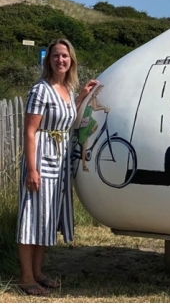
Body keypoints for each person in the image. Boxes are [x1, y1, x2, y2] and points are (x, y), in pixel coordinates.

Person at [16, 38, 98, 296]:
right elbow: (29, 132)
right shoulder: (40, 90)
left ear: (71, 60)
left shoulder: (67, 89)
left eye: (64, 56)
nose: (60, 60)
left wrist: (82, 96)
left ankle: (38, 272)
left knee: (47, 217)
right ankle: (26, 277)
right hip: (40, 157)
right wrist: (31, 169)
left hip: (59, 160)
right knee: (31, 217)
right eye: (55, 56)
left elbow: (67, 120)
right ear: (47, 60)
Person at [77, 84, 109, 172]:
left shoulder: (93, 98)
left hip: (88, 120)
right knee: (85, 144)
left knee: (95, 125)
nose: (98, 92)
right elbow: (95, 107)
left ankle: (85, 137)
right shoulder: (90, 98)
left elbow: (97, 104)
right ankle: (84, 165)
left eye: (99, 91)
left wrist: (104, 107)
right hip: (85, 121)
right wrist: (104, 108)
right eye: (98, 90)